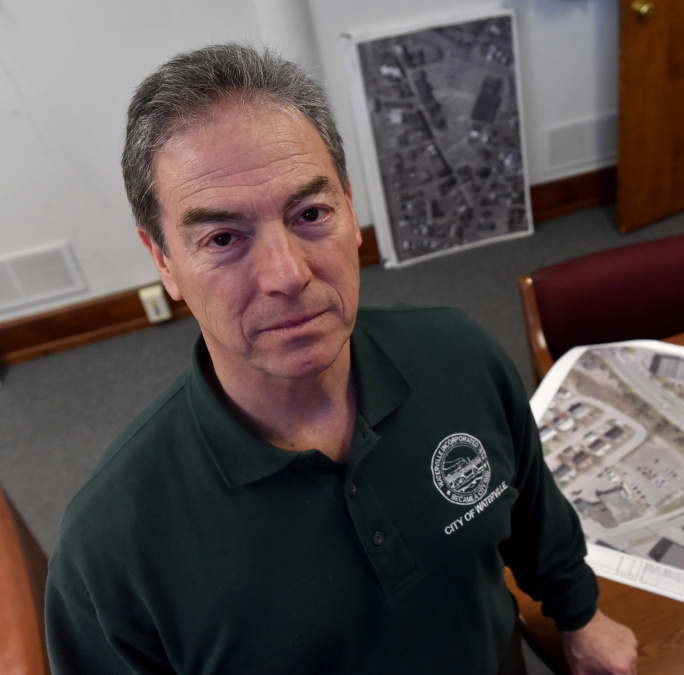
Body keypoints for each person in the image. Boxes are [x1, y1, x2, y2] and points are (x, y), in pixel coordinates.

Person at [44, 43, 638, 674]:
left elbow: (531, 511)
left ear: (351, 210)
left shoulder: (460, 356)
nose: (287, 274)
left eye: (310, 214)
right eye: (222, 238)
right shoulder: (109, 550)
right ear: (164, 260)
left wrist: (581, 614)